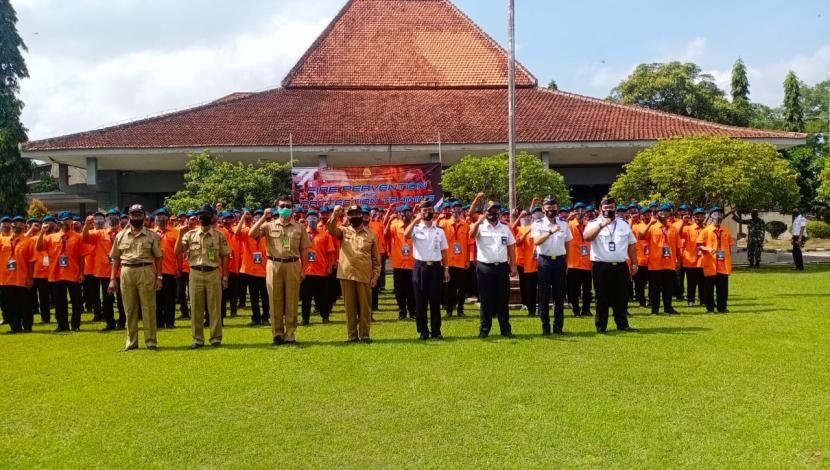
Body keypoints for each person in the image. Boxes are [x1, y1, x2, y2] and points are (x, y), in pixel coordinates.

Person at [250, 197, 310, 345]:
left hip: (293, 264)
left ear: (292, 208)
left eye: (288, 206)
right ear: (277, 207)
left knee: (292, 299)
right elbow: (252, 233)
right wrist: (264, 217)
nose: (285, 208)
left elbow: (304, 250)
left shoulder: (299, 227)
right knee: (274, 299)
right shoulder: (269, 225)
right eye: (282, 205)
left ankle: (290, 333)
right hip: (274, 264)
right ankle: (277, 333)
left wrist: (303, 270)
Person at [108, 205, 164, 351]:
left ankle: (151, 341)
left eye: (139, 214)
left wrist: (159, 277)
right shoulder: (120, 236)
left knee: (148, 307)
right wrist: (113, 279)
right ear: (129, 216)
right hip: (126, 271)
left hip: (146, 270)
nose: (137, 216)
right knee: (130, 308)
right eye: (134, 214)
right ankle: (131, 342)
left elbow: (158, 258)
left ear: (144, 216)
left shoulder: (152, 235)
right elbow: (115, 259)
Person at [176, 204, 231, 348]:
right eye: (200, 215)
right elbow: (177, 251)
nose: (203, 218)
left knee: (214, 307)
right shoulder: (190, 234)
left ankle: (215, 338)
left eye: (206, 215)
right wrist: (180, 234)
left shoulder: (219, 235)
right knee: (196, 307)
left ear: (212, 217)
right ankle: (198, 339)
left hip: (213, 273)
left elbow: (225, 256)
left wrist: (225, 277)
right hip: (195, 273)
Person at [583, 197, 638, 334]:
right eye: (605, 208)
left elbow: (631, 244)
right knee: (602, 297)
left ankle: (622, 324)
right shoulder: (593, 223)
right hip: (601, 266)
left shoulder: (623, 224)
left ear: (615, 208)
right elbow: (587, 237)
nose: (608, 210)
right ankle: (601, 326)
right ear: (601, 209)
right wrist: (602, 225)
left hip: (620, 265)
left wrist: (635, 263)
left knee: (622, 296)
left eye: (611, 207)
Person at [327, 205, 381, 342]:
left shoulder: (371, 234)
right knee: (349, 307)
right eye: (351, 214)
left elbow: (376, 260)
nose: (354, 216)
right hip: (347, 274)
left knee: (365, 307)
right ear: (348, 217)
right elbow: (331, 229)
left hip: (364, 275)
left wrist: (375, 276)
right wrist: (335, 214)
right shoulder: (343, 231)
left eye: (357, 213)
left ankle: (365, 335)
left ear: (362, 215)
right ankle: (352, 336)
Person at [470, 197, 516, 338]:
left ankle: (505, 329)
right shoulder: (480, 226)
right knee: (486, 299)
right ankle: (484, 330)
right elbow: (471, 236)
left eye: (496, 210)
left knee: (503, 298)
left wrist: (513, 265)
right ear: (484, 212)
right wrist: (478, 221)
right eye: (490, 210)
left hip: (501, 267)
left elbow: (511, 247)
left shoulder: (505, 227)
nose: (493, 213)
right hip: (485, 267)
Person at [404, 201, 450, 340]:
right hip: (420, 267)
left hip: (436, 267)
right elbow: (406, 235)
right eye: (425, 210)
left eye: (430, 209)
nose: (427, 212)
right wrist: (414, 221)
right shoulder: (416, 228)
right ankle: (423, 331)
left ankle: (436, 331)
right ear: (420, 212)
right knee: (421, 301)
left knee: (435, 301)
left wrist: (446, 268)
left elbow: (444, 251)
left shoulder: (439, 230)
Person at [36, 211, 88, 332]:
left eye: (69, 219)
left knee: (76, 300)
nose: (67, 222)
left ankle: (75, 325)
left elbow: (81, 256)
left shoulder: (77, 237)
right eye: (64, 220)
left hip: (73, 272)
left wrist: (81, 273)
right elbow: (38, 247)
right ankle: (62, 325)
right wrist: (42, 232)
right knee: (59, 301)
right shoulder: (51, 237)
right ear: (59, 222)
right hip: (56, 273)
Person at [532, 197, 572, 335]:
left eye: (553, 207)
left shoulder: (564, 224)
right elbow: (536, 241)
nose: (551, 210)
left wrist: (566, 262)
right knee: (543, 295)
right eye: (548, 208)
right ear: (543, 209)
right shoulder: (538, 224)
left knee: (559, 295)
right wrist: (550, 232)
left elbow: (568, 243)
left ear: (557, 208)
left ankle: (558, 327)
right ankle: (545, 326)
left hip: (559, 261)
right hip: (545, 261)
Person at [82, 209, 124, 331]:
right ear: (106, 219)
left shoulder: (124, 233)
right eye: (110, 216)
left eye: (115, 216)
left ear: (120, 218)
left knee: (122, 299)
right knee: (107, 299)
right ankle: (110, 322)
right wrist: (86, 225)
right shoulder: (100, 233)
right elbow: (85, 238)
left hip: (121, 270)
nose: (113, 218)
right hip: (105, 271)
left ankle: (122, 321)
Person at [639, 203, 681, 315]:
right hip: (655, 263)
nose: (664, 214)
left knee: (668, 287)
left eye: (666, 212)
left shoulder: (673, 229)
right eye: (661, 212)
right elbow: (641, 236)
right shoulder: (652, 227)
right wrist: (649, 224)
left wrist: (679, 261)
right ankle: (655, 309)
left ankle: (668, 307)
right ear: (657, 214)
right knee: (655, 288)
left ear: (669, 214)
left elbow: (678, 247)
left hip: (670, 262)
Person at [300, 209, 336, 325]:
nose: (312, 220)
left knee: (322, 297)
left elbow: (330, 252)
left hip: (321, 271)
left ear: (318, 219)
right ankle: (305, 319)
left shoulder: (325, 235)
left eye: (314, 217)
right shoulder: (302, 234)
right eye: (310, 217)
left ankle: (325, 317)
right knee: (306, 297)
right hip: (305, 271)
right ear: (306, 219)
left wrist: (330, 266)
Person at [235, 209, 270, 326]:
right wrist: (242, 218)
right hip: (250, 271)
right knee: (254, 297)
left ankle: (265, 317)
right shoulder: (247, 232)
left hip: (265, 271)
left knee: (265, 297)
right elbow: (237, 233)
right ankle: (256, 318)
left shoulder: (267, 235)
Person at [0, 216, 36, 333]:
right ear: (12, 225)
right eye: (16, 223)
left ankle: (27, 326)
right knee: (10, 305)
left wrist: (30, 277)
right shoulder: (4, 240)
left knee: (24, 304)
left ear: (24, 226)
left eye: (21, 224)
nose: (17, 226)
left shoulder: (28, 241)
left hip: (22, 278)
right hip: (6, 278)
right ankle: (15, 327)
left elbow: (31, 261)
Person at [697, 207, 734, 313]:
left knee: (723, 288)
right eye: (715, 214)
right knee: (709, 288)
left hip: (723, 264)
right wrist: (707, 248)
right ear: (711, 217)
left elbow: (729, 247)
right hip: (710, 263)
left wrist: (729, 261)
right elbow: (699, 246)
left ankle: (722, 307)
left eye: (720, 214)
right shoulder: (705, 231)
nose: (718, 216)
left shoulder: (726, 231)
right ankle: (710, 308)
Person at [440, 200, 472, 317]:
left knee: (462, 288)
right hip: (449, 261)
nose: (457, 211)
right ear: (451, 210)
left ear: (461, 211)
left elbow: (469, 244)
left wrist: (468, 259)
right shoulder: (444, 224)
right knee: (449, 288)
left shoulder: (466, 225)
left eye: (459, 209)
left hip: (462, 261)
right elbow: (439, 243)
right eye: (455, 208)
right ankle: (449, 310)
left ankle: (460, 309)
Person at [385, 204, 416, 321]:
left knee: (412, 290)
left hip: (412, 264)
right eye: (403, 212)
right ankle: (402, 311)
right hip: (398, 264)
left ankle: (412, 311)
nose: (404, 214)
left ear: (411, 214)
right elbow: (385, 235)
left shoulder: (415, 226)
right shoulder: (395, 225)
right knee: (399, 290)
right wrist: (388, 222)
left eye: (407, 212)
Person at [153, 208, 180, 328]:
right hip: (154, 271)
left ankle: (169, 321)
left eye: (163, 216)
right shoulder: (151, 233)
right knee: (156, 299)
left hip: (170, 270)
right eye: (159, 216)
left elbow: (179, 252)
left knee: (169, 298)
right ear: (155, 219)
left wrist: (179, 268)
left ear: (168, 218)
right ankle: (158, 322)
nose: (161, 219)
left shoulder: (175, 232)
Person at [566, 202, 593, 317]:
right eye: (577, 210)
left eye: (582, 209)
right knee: (573, 290)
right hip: (573, 262)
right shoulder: (569, 224)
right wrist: (567, 219)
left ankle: (586, 309)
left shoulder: (589, 225)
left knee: (587, 290)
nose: (580, 212)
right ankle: (576, 309)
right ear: (574, 211)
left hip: (587, 262)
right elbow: (561, 230)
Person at [514, 206, 539, 317]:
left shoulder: (538, 227)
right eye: (526, 215)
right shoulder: (521, 229)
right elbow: (518, 242)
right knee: (527, 286)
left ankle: (539, 306)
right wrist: (526, 232)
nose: (527, 217)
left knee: (540, 286)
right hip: (525, 262)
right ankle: (528, 306)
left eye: (529, 215)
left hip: (539, 263)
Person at [217, 211, 240, 320]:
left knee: (234, 292)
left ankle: (233, 311)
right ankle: (223, 311)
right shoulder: (220, 231)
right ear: (222, 219)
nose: (228, 221)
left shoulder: (236, 231)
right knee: (223, 291)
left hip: (234, 266)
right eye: (226, 219)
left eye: (230, 219)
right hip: (223, 266)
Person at [681, 208, 707, 307]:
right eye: (697, 216)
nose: (699, 218)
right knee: (691, 282)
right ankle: (690, 300)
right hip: (690, 260)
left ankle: (703, 299)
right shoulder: (688, 228)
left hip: (703, 259)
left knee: (703, 282)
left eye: (701, 216)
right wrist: (683, 221)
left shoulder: (707, 229)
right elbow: (679, 234)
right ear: (694, 217)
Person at [631, 207, 651, 308]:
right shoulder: (636, 226)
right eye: (644, 214)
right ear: (640, 215)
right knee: (640, 283)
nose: (647, 216)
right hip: (640, 259)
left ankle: (652, 300)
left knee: (653, 283)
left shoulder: (656, 226)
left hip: (653, 259)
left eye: (648, 214)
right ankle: (641, 301)